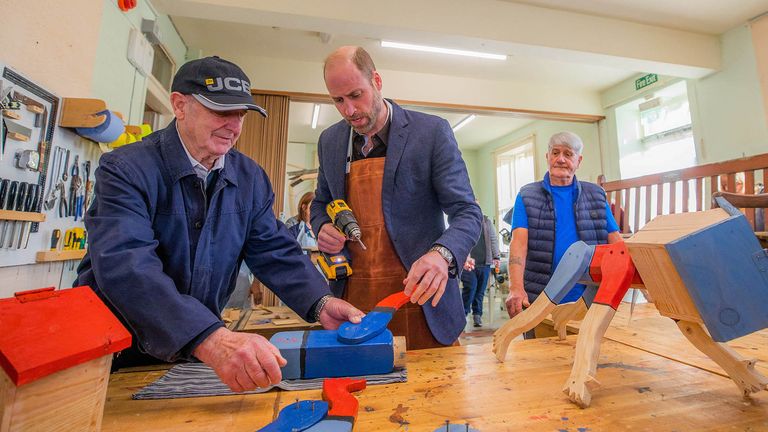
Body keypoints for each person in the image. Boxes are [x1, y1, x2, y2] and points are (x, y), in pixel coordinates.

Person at [75, 56, 363, 392]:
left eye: (240, 114)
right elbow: (127, 266)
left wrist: (321, 302)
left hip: (194, 346)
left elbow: (274, 250)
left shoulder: (250, 178)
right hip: (116, 351)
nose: (234, 125)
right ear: (179, 105)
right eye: (220, 111)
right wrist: (210, 338)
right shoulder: (126, 169)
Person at [311, 46, 482, 350]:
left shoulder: (430, 132)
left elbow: (467, 212)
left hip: (423, 300)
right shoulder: (330, 141)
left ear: (376, 80)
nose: (349, 110)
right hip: (355, 303)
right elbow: (320, 204)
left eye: (355, 95)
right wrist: (322, 226)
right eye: (338, 100)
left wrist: (441, 254)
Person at [505, 132, 622, 338]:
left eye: (568, 154)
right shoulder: (527, 195)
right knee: (538, 364)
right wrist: (516, 288)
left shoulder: (595, 194)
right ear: (547, 156)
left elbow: (616, 244)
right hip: (540, 302)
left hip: (590, 302)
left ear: (579, 160)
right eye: (555, 152)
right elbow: (518, 244)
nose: (561, 159)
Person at [461, 212, 500, 327]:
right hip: (468, 264)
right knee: (470, 288)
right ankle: (463, 314)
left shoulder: (487, 222)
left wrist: (496, 256)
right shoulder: (463, 221)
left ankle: (477, 315)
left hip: (485, 263)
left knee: (480, 291)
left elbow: (493, 239)